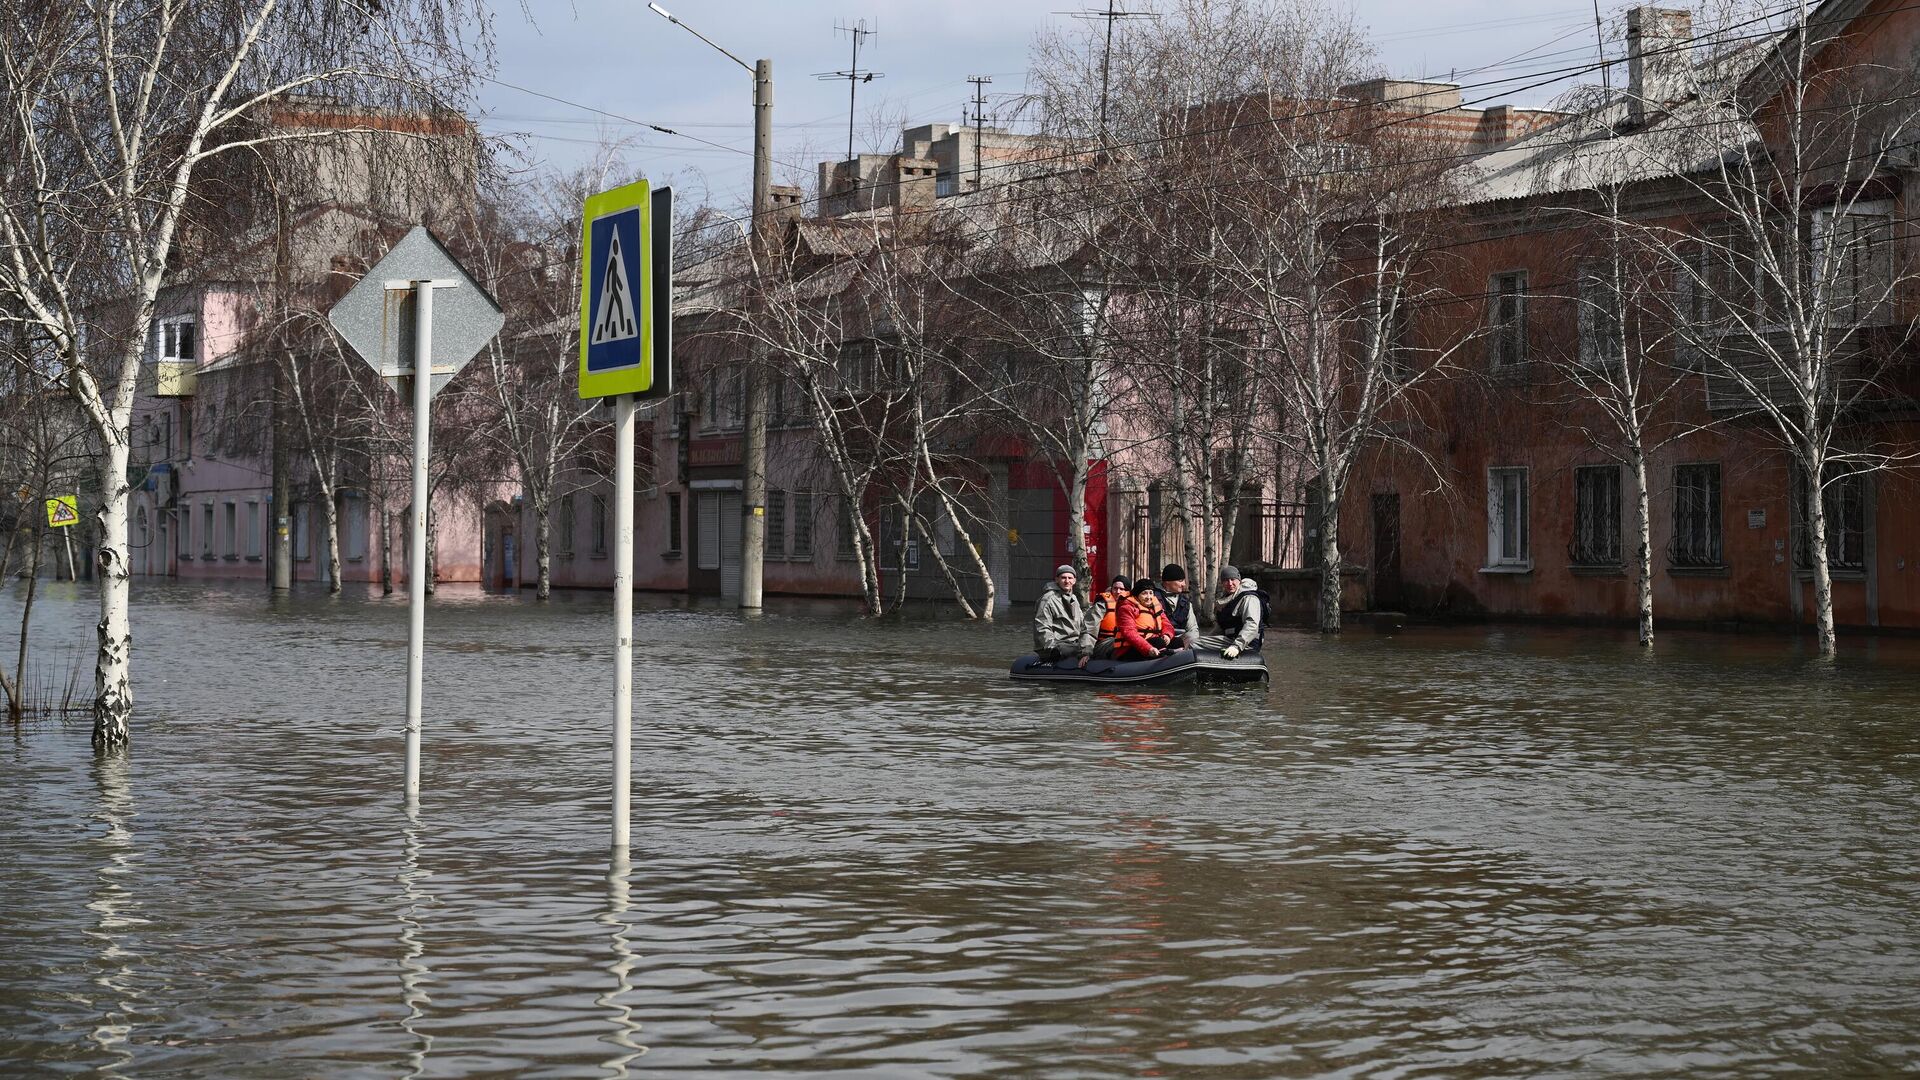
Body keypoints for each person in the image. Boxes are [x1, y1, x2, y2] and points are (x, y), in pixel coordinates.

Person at [1198, 564, 1268, 660]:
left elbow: (1252, 625)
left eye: (1233, 579)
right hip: (1231, 640)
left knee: (1195, 644)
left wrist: (1236, 646)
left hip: (1247, 644)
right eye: (1226, 580)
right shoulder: (1227, 600)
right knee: (1195, 642)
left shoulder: (1249, 598)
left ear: (1239, 580)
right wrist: (1207, 639)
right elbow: (1221, 628)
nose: (1230, 583)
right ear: (1222, 583)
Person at [1033, 564, 1093, 668]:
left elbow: (1083, 628)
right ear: (1057, 579)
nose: (1067, 581)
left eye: (1070, 578)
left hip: (1074, 643)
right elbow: (1042, 627)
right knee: (1069, 649)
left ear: (1074, 581)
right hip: (1057, 645)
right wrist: (1051, 650)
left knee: (1094, 648)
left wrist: (1086, 649)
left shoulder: (1074, 599)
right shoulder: (1048, 599)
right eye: (1063, 578)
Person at [1114, 576, 1178, 660]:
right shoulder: (1126, 608)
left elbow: (1167, 624)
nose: (1149, 597)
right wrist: (1148, 649)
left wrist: (1167, 635)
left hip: (1152, 641)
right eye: (1144, 593)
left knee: (1177, 642)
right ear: (1137, 595)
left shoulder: (1156, 607)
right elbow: (1129, 633)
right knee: (1158, 642)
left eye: (1151, 593)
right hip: (1129, 648)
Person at [1150, 563, 1201, 650]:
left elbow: (1193, 629)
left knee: (1193, 638)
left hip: (1180, 643)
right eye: (1180, 581)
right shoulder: (1151, 598)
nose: (1184, 584)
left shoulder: (1186, 603)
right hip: (1158, 641)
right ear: (1167, 582)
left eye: (1184, 581)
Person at [1089, 574, 1132, 659]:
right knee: (1122, 642)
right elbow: (1089, 629)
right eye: (1115, 588)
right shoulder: (1101, 605)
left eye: (1121, 589)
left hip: (1125, 641)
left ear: (1128, 591)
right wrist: (1086, 652)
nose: (1118, 591)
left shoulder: (1134, 606)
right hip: (1103, 644)